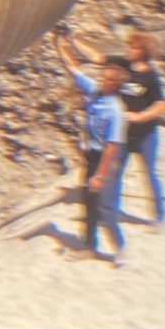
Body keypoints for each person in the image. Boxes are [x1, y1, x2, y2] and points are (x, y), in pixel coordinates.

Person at [64, 27, 165, 226]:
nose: (128, 50)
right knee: (115, 174)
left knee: (150, 174)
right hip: (123, 135)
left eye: (133, 47)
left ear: (142, 52)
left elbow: (162, 105)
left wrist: (139, 117)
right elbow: (96, 57)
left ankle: (159, 216)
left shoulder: (151, 77)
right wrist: (73, 41)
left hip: (146, 135)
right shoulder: (122, 64)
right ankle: (110, 213)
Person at [54, 29, 127, 265]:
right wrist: (59, 44)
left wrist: (100, 175)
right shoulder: (94, 91)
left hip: (104, 159)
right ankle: (89, 247)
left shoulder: (115, 110)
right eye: (102, 77)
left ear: (114, 85)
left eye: (106, 79)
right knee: (89, 202)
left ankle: (119, 248)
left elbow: (113, 147)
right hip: (91, 155)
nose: (101, 80)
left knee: (104, 206)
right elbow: (73, 68)